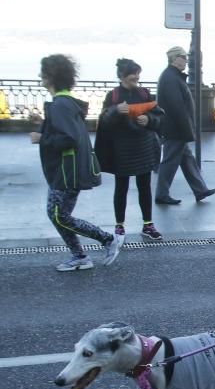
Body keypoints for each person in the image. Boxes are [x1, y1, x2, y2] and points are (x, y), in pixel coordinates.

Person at [31, 54, 123, 271]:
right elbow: (66, 131)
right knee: (57, 215)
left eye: (43, 73)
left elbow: (68, 138)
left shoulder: (60, 105)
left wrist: (41, 138)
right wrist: (43, 123)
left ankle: (107, 240)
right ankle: (80, 256)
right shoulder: (65, 103)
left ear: (51, 76)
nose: (39, 76)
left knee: (59, 216)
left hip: (66, 172)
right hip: (66, 171)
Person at [98, 57, 164, 241]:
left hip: (143, 146)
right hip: (122, 149)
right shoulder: (113, 96)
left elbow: (158, 115)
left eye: (137, 73)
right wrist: (116, 110)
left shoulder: (144, 93)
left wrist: (149, 120)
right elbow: (103, 121)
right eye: (132, 74)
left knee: (145, 187)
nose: (136, 77)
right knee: (122, 188)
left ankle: (148, 224)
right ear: (122, 76)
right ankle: (119, 226)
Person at [155, 46, 215, 205]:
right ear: (174, 59)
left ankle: (200, 190)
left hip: (176, 127)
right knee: (169, 161)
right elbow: (176, 107)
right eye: (183, 57)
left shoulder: (172, 76)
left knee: (187, 160)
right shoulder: (170, 78)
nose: (186, 60)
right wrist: (187, 130)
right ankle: (162, 194)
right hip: (175, 128)